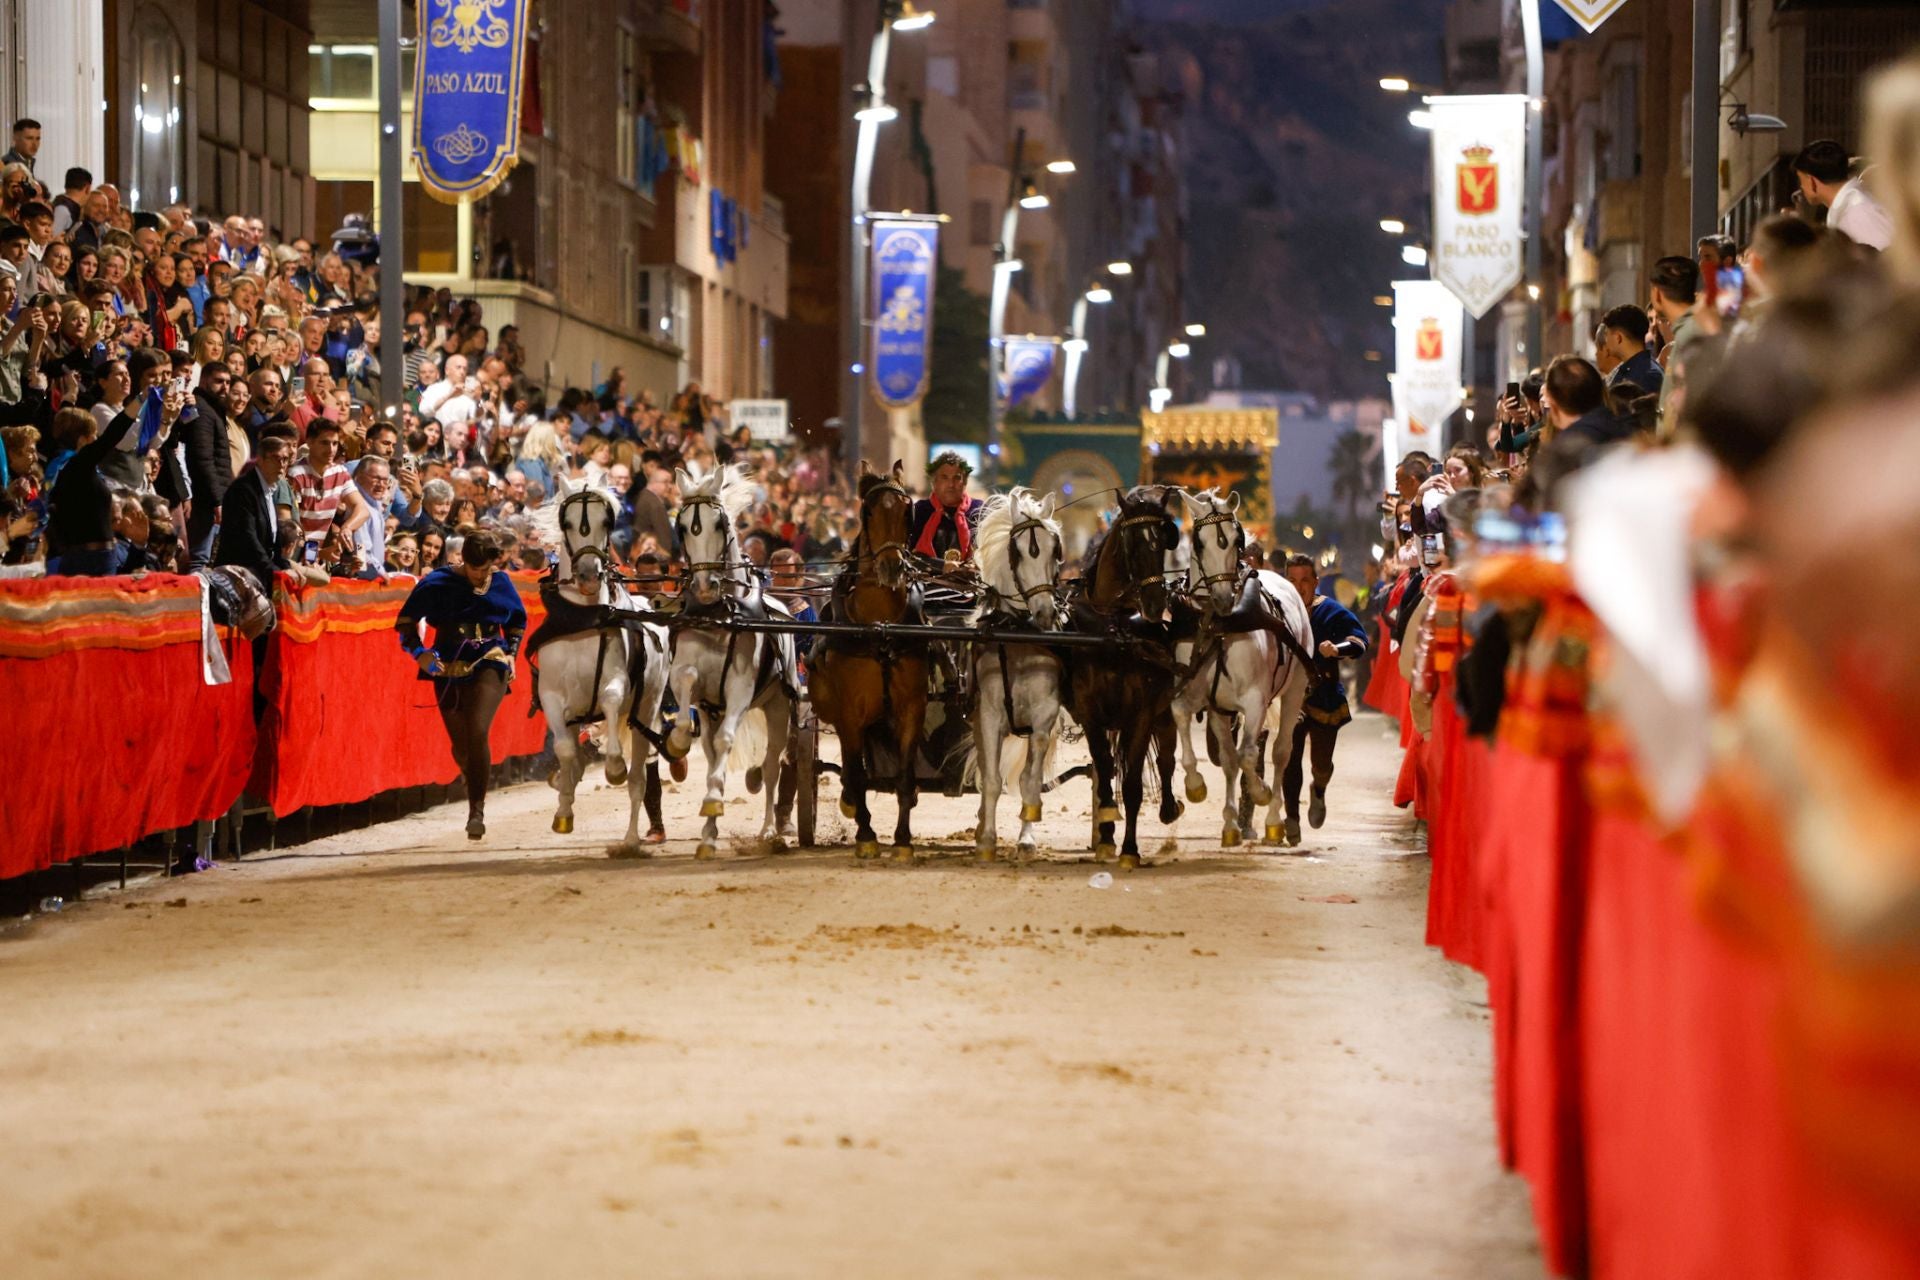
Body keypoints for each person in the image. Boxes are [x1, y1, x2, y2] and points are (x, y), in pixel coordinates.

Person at [394, 527, 527, 840]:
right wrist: (419, 654)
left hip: (491, 656)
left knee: (478, 729)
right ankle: (474, 776)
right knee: (462, 746)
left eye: (487, 569)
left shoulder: (502, 582)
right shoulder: (437, 582)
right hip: (447, 661)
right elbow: (405, 625)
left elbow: (518, 622)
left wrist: (512, 655)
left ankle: (476, 811)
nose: (482, 576)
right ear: (464, 560)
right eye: (477, 569)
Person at [1280, 554, 1369, 840]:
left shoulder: (1330, 610)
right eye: (1292, 581)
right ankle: (1291, 816)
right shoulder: (1277, 611)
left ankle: (1318, 789)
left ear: (1315, 582)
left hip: (1324, 697)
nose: (1299, 586)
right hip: (1289, 699)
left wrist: (1338, 648)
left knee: (1321, 762)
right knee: (1289, 759)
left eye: (1305, 580)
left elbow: (1360, 640)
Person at [1793, 138, 1893, 251]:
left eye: (1801, 180)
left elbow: (1885, 261)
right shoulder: (1850, 207)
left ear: (1812, 182)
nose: (1801, 187)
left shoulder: (1858, 210)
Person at [909, 450, 979, 561]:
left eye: (957, 478)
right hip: (926, 577)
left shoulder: (979, 511)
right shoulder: (919, 511)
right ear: (934, 482)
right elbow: (908, 556)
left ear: (965, 482)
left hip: (971, 577)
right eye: (944, 477)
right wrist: (941, 566)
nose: (951, 484)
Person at [1595, 303, 1663, 394]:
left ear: (1618, 338)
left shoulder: (1648, 376)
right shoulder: (1628, 369)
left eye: (1607, 334)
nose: (1606, 341)